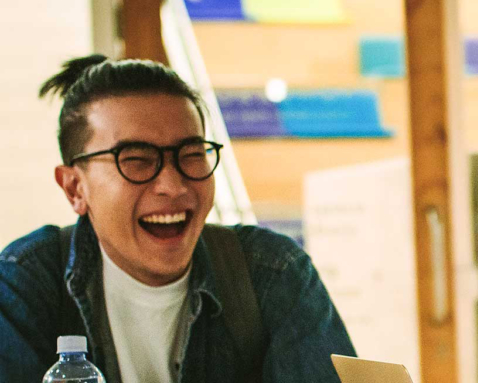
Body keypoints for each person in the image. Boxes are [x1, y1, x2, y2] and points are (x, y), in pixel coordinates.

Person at [0, 55, 355, 383]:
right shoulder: (25, 285)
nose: (172, 185)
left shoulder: (272, 274)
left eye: (191, 154)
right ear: (75, 188)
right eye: (136, 159)